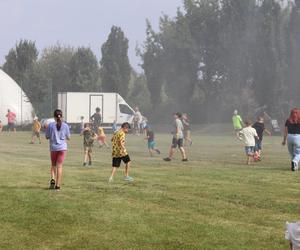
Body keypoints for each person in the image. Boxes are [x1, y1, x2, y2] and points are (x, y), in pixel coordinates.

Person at [45, 109, 70, 191]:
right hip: (62, 148)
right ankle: (57, 186)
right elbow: (68, 137)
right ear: (61, 116)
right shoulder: (65, 125)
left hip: (53, 149)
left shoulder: (50, 125)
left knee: (53, 165)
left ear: (54, 117)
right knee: (59, 166)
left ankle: (52, 178)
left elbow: (47, 137)